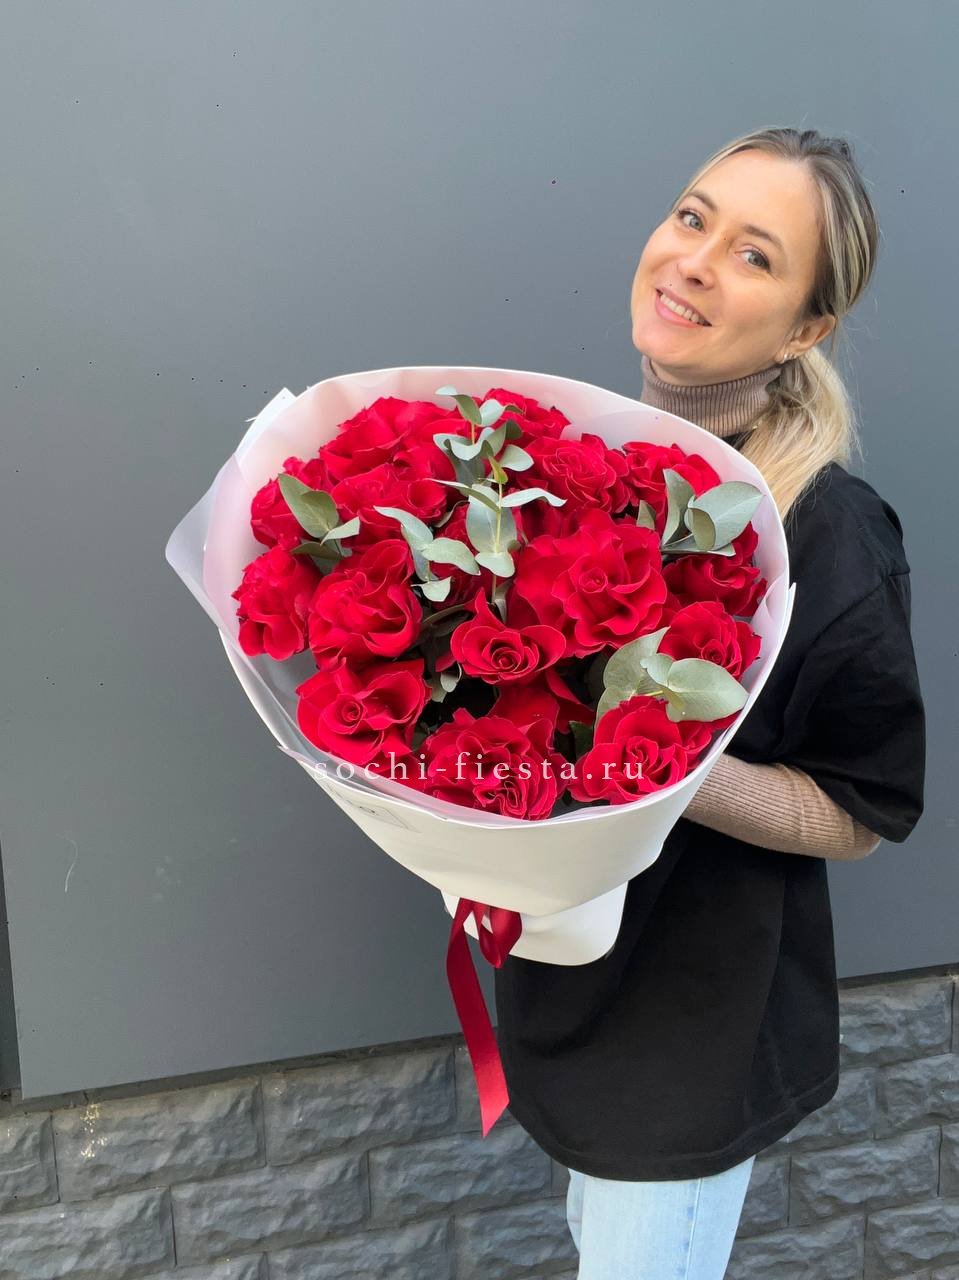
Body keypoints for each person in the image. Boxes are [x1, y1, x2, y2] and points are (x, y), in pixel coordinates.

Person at [493, 126, 926, 1279]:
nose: (693, 259)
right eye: (692, 218)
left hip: (693, 1030)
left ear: (803, 329)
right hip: (566, 992)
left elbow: (861, 810)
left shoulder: (824, 535)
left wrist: (659, 762)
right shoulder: (583, 471)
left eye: (753, 254)